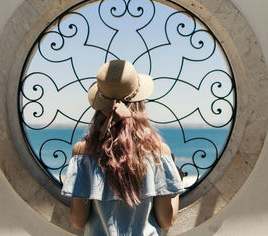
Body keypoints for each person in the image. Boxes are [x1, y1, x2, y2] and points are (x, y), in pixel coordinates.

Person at [61, 60, 184, 235]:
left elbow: (78, 221)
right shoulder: (158, 152)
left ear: (100, 105)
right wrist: (175, 184)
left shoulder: (82, 152)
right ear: (140, 102)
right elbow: (166, 221)